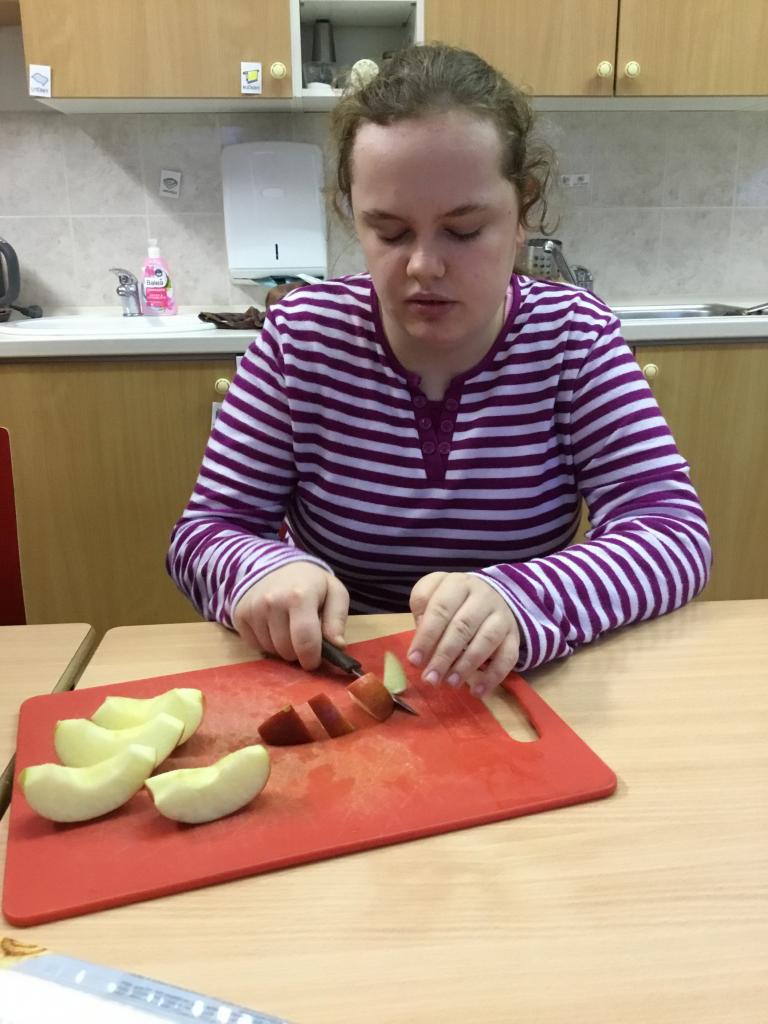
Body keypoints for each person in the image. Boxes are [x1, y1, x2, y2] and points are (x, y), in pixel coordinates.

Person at [167, 43, 711, 698]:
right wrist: (258, 570)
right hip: (339, 680)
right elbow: (206, 532)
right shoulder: (299, 338)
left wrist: (526, 598)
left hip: (517, 684)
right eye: (390, 232)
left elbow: (672, 531)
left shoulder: (573, 337)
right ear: (353, 214)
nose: (424, 265)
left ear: (521, 213)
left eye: (464, 230)